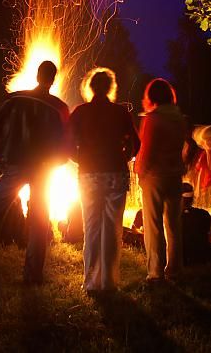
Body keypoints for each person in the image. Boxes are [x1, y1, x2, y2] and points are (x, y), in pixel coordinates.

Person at [0, 60, 70, 284]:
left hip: (14, 166)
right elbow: (66, 144)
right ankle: (33, 275)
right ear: (53, 80)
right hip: (43, 170)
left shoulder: (15, 99)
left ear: (37, 76)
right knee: (39, 221)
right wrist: (56, 163)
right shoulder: (60, 107)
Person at [69, 68, 140, 292]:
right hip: (115, 174)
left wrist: (80, 159)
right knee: (112, 227)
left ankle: (90, 283)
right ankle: (109, 281)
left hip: (89, 174)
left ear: (90, 87)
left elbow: (67, 142)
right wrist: (125, 157)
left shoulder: (80, 112)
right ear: (111, 87)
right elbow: (135, 143)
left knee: (91, 227)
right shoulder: (120, 113)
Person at [134, 78, 188, 282]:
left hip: (154, 177)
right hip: (174, 175)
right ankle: (175, 269)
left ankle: (155, 272)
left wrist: (140, 172)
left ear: (152, 96)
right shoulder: (179, 119)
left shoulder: (152, 119)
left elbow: (146, 151)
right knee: (173, 224)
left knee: (153, 224)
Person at [180, 182, 211, 265]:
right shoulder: (204, 214)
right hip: (199, 258)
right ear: (193, 198)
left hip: (180, 259)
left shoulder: (170, 217)